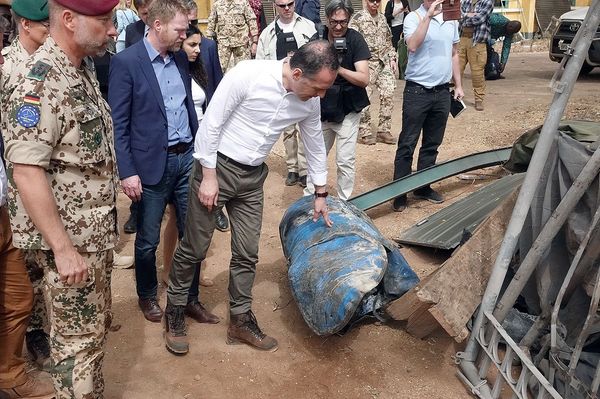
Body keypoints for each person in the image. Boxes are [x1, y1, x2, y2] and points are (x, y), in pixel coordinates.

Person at [163, 40, 338, 356]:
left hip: (253, 177)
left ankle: (240, 320)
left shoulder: (308, 99)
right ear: (297, 73)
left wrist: (320, 192)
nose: (321, 96)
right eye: (318, 88)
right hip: (217, 168)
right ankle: (174, 309)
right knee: (195, 247)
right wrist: (209, 177)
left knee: (246, 252)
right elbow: (211, 124)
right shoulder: (248, 74)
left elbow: (314, 144)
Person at [3, 0, 119, 396]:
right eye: (104, 21)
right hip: (70, 245)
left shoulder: (80, 67)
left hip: (93, 237)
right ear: (68, 20)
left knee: (93, 334)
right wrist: (63, 248)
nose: (114, 30)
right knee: (76, 347)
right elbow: (26, 171)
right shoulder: (38, 83)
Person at [109, 0, 200, 324]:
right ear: (157, 26)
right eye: (179, 29)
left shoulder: (179, 59)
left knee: (193, 232)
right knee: (147, 239)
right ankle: (147, 296)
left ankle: (190, 297)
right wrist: (128, 171)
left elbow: (187, 105)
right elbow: (119, 124)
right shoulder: (126, 63)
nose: (184, 34)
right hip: (150, 167)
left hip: (186, 158)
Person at [0, 0, 52, 372]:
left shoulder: (57, 60)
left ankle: (54, 321)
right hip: (19, 182)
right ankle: (35, 331)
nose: (48, 27)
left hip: (56, 179)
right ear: (25, 25)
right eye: (42, 22)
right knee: (26, 260)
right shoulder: (6, 66)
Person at [160, 23, 225, 309]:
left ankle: (195, 274)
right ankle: (167, 270)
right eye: (192, 45)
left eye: (200, 45)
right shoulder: (171, 72)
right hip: (181, 150)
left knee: (198, 215)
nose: (199, 51)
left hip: (203, 149)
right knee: (176, 216)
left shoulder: (198, 71)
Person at [391, 0, 464, 212]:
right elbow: (412, 45)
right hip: (417, 91)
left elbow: (454, 53)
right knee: (408, 142)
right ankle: (399, 191)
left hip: (441, 92)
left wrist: (458, 84)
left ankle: (423, 187)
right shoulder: (413, 18)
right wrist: (429, 17)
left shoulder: (451, 19)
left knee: (432, 143)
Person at [304, 0, 370, 200]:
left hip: (348, 108)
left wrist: (337, 68)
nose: (339, 27)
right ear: (327, 19)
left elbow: (364, 78)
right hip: (322, 109)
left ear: (349, 19)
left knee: (345, 160)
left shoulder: (356, 39)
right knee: (316, 158)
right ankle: (309, 198)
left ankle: (344, 202)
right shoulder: (318, 38)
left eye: (343, 22)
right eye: (334, 22)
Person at [255, 0, 316, 187]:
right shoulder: (267, 33)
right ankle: (293, 169)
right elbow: (261, 64)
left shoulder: (308, 26)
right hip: (281, 89)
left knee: (305, 129)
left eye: (290, 3)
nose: (287, 8)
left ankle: (305, 170)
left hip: (305, 86)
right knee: (288, 131)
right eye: (282, 5)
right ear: (275, 5)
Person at [350, 0, 397, 146]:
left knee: (389, 92)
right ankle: (364, 131)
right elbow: (351, 42)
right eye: (372, 1)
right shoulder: (357, 19)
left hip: (383, 62)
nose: (375, 4)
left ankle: (384, 130)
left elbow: (388, 41)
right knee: (364, 96)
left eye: (377, 1)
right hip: (366, 63)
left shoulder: (382, 18)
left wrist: (393, 58)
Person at [458, 0, 493, 111]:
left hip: (477, 41)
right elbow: (457, 16)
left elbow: (480, 19)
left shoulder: (488, 1)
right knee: (456, 70)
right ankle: (456, 98)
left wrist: (464, 17)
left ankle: (479, 100)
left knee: (477, 72)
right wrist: (466, 16)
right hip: (461, 38)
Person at [206, 0, 259, 72]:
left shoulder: (243, 3)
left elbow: (252, 21)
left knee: (244, 70)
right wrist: (208, 43)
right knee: (219, 69)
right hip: (223, 44)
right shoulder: (217, 4)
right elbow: (211, 24)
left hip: (241, 44)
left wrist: (255, 43)